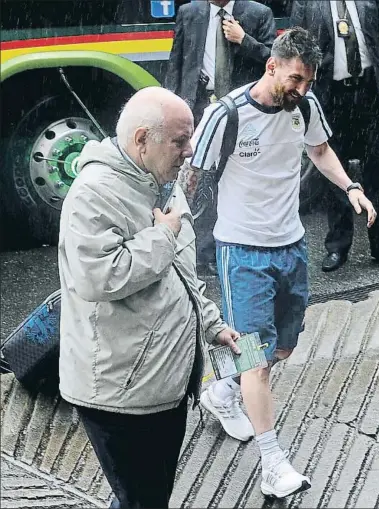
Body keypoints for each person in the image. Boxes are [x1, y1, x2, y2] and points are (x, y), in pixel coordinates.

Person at [180, 27, 377, 499]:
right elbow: (191, 174)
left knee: (282, 348)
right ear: (272, 66)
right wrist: (171, 228)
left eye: (308, 81)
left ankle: (221, 390)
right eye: (295, 79)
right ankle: (272, 461)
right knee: (258, 361)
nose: (302, 89)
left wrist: (350, 187)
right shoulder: (226, 115)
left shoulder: (303, 108)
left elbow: (320, 149)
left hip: (290, 249)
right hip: (241, 254)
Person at [58, 87, 241, 509]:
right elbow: (98, 277)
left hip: (164, 387)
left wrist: (211, 325)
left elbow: (181, 270)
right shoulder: (93, 193)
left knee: (146, 495)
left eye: (190, 138)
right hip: (121, 396)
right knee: (144, 498)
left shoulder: (162, 180)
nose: (190, 151)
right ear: (142, 139)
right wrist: (162, 236)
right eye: (180, 140)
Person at [290, 0, 379, 272]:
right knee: (335, 175)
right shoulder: (306, 4)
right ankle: (337, 248)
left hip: (370, 95)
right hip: (331, 98)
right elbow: (297, 49)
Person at [165, 0, 277, 274]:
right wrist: (168, 104)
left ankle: (231, 244)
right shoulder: (189, 13)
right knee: (199, 178)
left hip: (240, 111)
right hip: (200, 105)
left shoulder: (258, 14)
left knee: (234, 177)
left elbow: (273, 63)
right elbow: (177, 61)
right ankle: (200, 252)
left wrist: (244, 40)